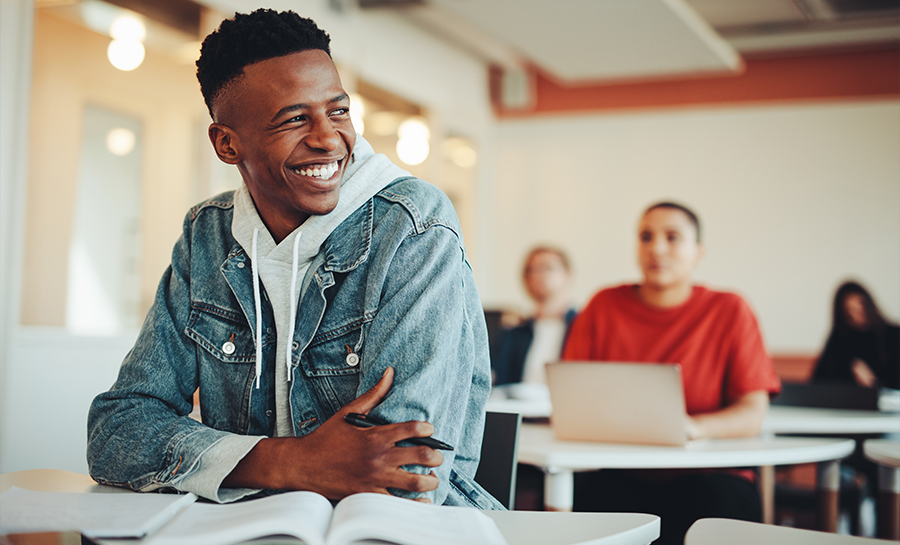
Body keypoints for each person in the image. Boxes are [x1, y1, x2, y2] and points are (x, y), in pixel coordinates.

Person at [87, 9, 500, 509]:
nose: (328, 138)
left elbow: (405, 474)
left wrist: (233, 461)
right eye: (294, 118)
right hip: (245, 525)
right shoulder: (208, 236)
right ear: (226, 144)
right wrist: (292, 461)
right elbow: (116, 431)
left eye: (339, 111)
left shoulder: (413, 224)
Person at [562, 201, 782, 545]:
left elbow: (753, 414)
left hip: (711, 474)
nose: (657, 248)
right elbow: (571, 398)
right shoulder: (603, 306)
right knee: (593, 501)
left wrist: (697, 427)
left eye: (673, 237)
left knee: (718, 507)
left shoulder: (730, 310)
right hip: (620, 470)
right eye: (646, 237)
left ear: (699, 252)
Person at [491, 246, 576, 399]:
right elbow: (499, 381)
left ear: (567, 275)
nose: (538, 275)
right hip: (521, 412)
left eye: (547, 268)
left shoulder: (583, 327)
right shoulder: (514, 332)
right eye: (531, 270)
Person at [813, 280, 900, 390]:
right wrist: (849, 370)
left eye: (860, 309)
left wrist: (873, 382)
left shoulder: (893, 335)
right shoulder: (839, 339)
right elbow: (819, 382)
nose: (858, 316)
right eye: (851, 312)